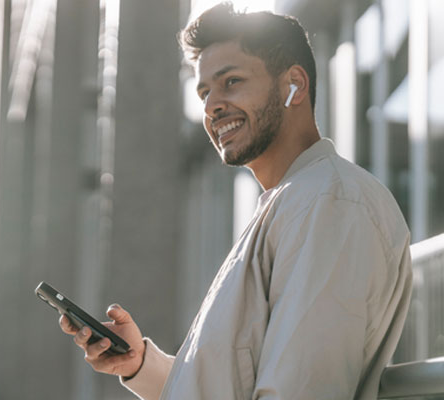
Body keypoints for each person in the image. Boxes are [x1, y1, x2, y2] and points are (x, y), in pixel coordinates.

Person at [59, 3, 413, 399]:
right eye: (205, 91)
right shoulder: (294, 202)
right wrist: (140, 363)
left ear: (294, 85)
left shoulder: (327, 203)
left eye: (232, 82)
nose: (211, 106)